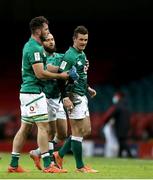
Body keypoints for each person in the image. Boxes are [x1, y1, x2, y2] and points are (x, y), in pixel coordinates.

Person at [7, 16, 76, 173]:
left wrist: (61, 71)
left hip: (27, 92)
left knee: (24, 128)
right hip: (33, 92)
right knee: (44, 127)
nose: (48, 32)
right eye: (46, 29)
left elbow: (46, 67)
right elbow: (40, 73)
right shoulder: (34, 48)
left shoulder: (33, 46)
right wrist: (61, 76)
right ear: (38, 31)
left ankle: (13, 163)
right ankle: (47, 165)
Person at [53, 25, 98, 173]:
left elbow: (80, 76)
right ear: (74, 39)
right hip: (73, 96)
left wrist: (88, 88)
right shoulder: (70, 55)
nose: (83, 42)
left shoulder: (82, 54)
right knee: (78, 131)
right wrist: (65, 97)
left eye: (85, 39)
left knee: (86, 130)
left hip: (82, 94)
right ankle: (80, 166)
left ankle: (59, 155)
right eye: (81, 39)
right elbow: (60, 77)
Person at [29, 33, 68, 170]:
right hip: (45, 97)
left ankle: (37, 152)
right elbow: (43, 71)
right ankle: (51, 163)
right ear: (42, 43)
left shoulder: (61, 57)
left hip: (58, 98)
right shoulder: (40, 58)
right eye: (48, 40)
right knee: (50, 131)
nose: (51, 42)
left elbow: (70, 65)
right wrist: (58, 71)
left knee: (62, 133)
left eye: (52, 39)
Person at [102, 92, 133, 158]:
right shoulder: (125, 106)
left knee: (122, 142)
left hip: (120, 127)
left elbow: (110, 115)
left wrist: (105, 122)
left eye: (115, 96)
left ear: (119, 97)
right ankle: (120, 156)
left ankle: (130, 155)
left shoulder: (117, 106)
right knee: (121, 141)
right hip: (126, 126)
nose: (114, 98)